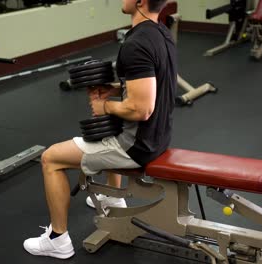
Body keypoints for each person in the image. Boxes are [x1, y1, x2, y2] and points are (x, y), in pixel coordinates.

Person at [23, 0, 176, 259]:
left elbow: (141, 109)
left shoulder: (136, 44)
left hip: (135, 146)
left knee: (51, 158)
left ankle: (57, 239)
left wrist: (106, 106)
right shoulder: (161, 33)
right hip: (159, 137)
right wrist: (117, 90)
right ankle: (114, 199)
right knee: (108, 127)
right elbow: (154, 84)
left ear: (139, 1)